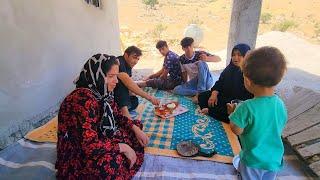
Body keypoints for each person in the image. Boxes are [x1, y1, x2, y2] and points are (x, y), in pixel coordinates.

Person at [56, 54, 149, 179]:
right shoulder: (82, 100)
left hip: (98, 137)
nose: (116, 81)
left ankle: (126, 152)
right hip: (80, 151)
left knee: (135, 127)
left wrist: (136, 130)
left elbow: (117, 116)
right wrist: (123, 147)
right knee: (109, 165)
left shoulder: (103, 93)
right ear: (97, 75)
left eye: (116, 76)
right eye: (111, 76)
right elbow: (89, 146)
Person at [228, 47, 287, 180]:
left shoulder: (246, 107)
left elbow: (236, 130)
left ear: (247, 81)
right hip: (273, 160)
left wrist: (233, 114)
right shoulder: (280, 104)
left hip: (252, 161)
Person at [197, 44, 253, 123]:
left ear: (246, 56)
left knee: (235, 112)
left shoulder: (249, 73)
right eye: (233, 55)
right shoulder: (229, 69)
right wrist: (214, 94)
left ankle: (211, 111)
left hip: (236, 102)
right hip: (223, 97)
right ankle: (212, 111)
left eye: (239, 55)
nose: (235, 58)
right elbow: (219, 82)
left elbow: (247, 98)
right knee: (203, 95)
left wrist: (235, 104)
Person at [114, 46, 160, 118]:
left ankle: (119, 110)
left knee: (134, 100)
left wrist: (132, 93)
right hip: (109, 95)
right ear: (126, 55)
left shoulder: (128, 66)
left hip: (116, 97)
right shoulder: (119, 62)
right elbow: (128, 83)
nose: (136, 62)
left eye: (138, 59)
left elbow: (130, 86)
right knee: (120, 84)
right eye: (134, 57)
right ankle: (125, 114)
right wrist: (150, 98)